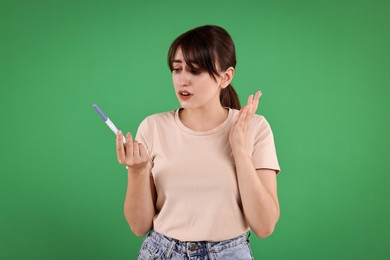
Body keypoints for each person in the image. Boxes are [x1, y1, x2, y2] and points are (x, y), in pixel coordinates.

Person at [115, 25, 280, 260]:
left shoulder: (254, 127)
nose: (182, 80)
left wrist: (239, 149)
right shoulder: (152, 127)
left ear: (226, 77)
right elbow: (138, 226)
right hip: (162, 252)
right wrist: (138, 170)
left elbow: (264, 226)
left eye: (195, 70)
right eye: (177, 69)